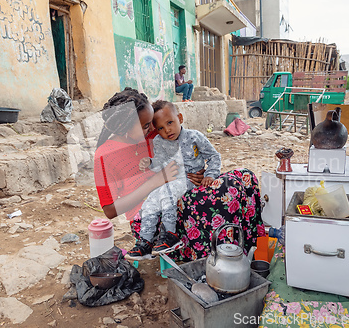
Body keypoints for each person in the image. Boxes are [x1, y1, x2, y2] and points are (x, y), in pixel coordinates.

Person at [94, 87, 265, 262]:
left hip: (182, 190)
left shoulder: (155, 134)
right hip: (154, 215)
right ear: (126, 130)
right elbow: (110, 210)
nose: (154, 129)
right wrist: (157, 180)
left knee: (245, 177)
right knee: (227, 192)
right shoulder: (104, 156)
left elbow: (188, 151)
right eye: (147, 126)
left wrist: (202, 174)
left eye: (152, 123)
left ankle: (250, 247)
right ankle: (223, 257)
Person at [132, 100, 221, 259]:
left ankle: (170, 236)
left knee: (168, 193)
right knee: (151, 200)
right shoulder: (159, 142)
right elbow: (160, 164)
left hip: (190, 181)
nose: (167, 130)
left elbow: (214, 156)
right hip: (171, 180)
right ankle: (144, 242)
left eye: (170, 123)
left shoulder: (194, 136)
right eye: (160, 128)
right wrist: (150, 163)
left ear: (180, 118)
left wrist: (209, 175)